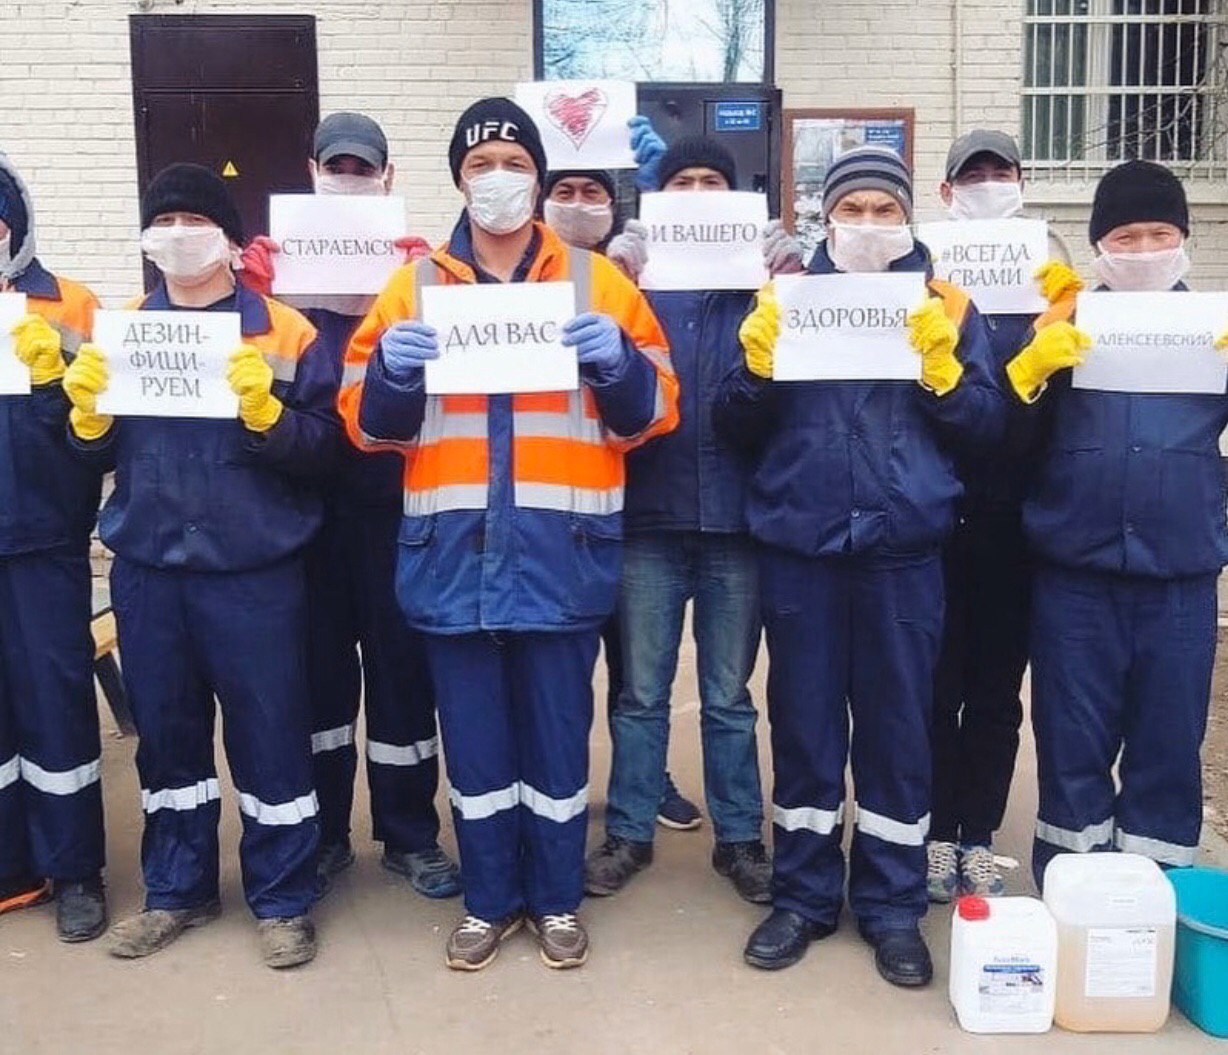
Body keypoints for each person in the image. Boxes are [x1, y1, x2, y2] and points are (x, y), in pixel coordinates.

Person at [339, 98, 678, 971]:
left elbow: (652, 414)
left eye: (515, 164)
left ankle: (557, 899)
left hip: (560, 553)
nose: (499, 180)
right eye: (481, 166)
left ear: (538, 176)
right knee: (478, 749)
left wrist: (619, 362)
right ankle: (489, 901)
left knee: (558, 745)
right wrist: (389, 375)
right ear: (459, 180)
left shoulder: (600, 284)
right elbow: (366, 426)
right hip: (453, 557)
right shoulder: (412, 287)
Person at [716, 146, 1003, 986]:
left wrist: (943, 377)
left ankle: (891, 905)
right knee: (804, 727)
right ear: (827, 217)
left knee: (897, 732)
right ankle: (803, 896)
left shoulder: (948, 304)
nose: (869, 224)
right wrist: (757, 372)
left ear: (909, 217)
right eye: (854, 209)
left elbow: (987, 426)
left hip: (902, 553)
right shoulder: (784, 298)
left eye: (886, 209)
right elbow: (733, 423)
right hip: (802, 550)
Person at [61, 163, 341, 968]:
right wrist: (85, 420)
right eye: (165, 221)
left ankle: (283, 898)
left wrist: (269, 417)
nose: (179, 234)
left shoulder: (285, 332)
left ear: (228, 238)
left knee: (271, 738)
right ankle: (176, 889)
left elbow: (328, 450)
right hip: (151, 568)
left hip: (254, 572)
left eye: (195, 220)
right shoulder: (121, 330)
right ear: (148, 239)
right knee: (168, 742)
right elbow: (91, 452)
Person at [238, 112, 460, 900]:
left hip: (395, 502)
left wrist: (429, 290)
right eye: (337, 166)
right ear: (312, 171)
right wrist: (250, 296)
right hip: (303, 508)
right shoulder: (272, 273)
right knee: (318, 682)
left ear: (388, 178)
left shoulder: (418, 271)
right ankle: (326, 832)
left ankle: (409, 834)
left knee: (403, 677)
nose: (349, 179)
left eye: (363, 169)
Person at [584, 137, 805, 904]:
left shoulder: (764, 282)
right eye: (684, 182)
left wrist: (793, 282)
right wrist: (615, 275)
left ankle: (739, 839)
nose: (700, 192)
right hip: (650, 512)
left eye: (714, 180)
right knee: (641, 692)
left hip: (739, 519)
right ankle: (630, 832)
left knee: (728, 695)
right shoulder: (635, 282)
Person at [1005, 160, 1228, 887]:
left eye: (1159, 233)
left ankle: (1159, 901)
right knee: (1072, 746)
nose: (1143, 250)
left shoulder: (1214, 332)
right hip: (1076, 577)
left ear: (1184, 239)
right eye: (1125, 237)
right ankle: (1075, 893)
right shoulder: (1063, 324)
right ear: (1099, 246)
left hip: (1178, 578)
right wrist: (1030, 374)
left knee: (1168, 747)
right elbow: (1008, 446)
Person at [926, 131, 1083, 902]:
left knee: (994, 693)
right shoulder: (923, 274)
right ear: (947, 192)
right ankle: (933, 833)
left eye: (1000, 171)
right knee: (935, 687)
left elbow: (1067, 403)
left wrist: (1063, 325)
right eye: (972, 174)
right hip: (938, 517)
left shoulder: (1050, 271)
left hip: (1019, 523)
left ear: (1021, 181)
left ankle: (977, 835)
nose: (988, 182)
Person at [542, 124, 702, 832]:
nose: (579, 204)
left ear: (616, 205)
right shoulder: (518, 276)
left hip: (645, 499)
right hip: (564, 506)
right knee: (568, 665)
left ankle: (646, 778)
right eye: (566, 190)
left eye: (593, 192)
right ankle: (564, 781)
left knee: (638, 668)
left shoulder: (652, 265)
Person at [0, 152, 107, 942]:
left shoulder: (70, 304)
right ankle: (11, 866)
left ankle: (75, 871)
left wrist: (52, 385)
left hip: (45, 539)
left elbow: (93, 434)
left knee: (57, 706)